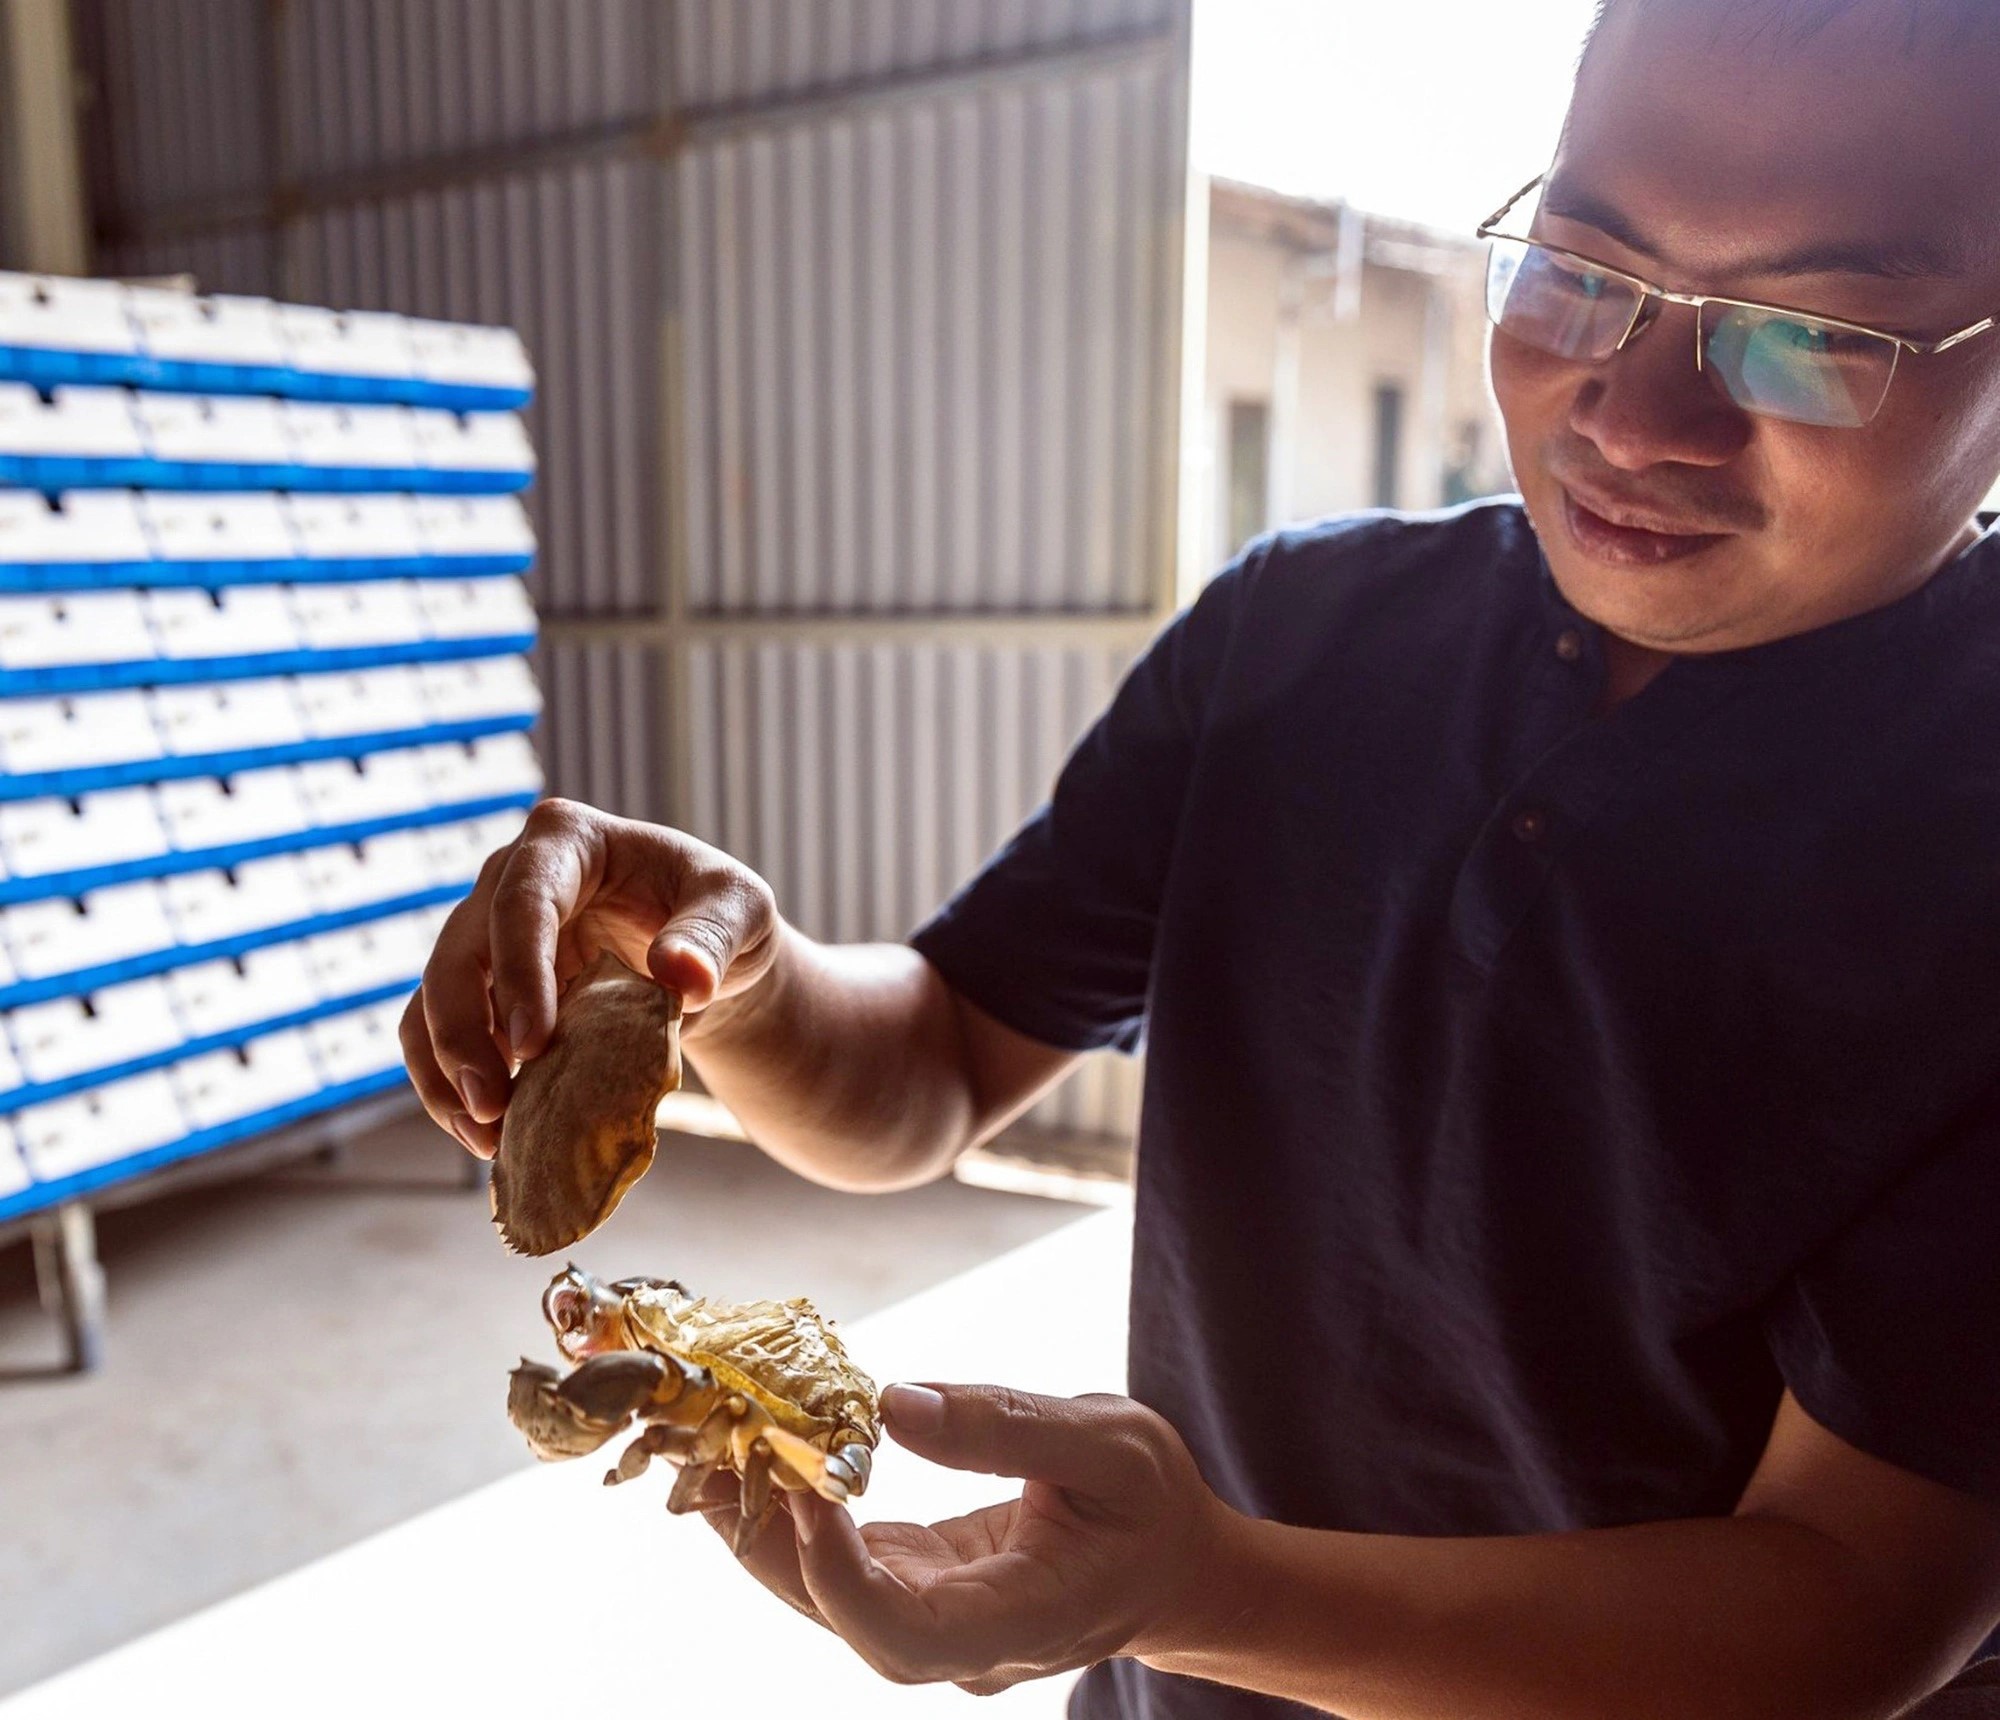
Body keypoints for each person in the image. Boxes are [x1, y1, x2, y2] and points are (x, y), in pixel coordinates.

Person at [402, 0, 2000, 1712]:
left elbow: (1844, 1609)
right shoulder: (1301, 635)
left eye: (1809, 333)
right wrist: (740, 976)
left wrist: (1204, 1584)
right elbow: (931, 1068)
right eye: (1583, 272)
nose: (1639, 410)